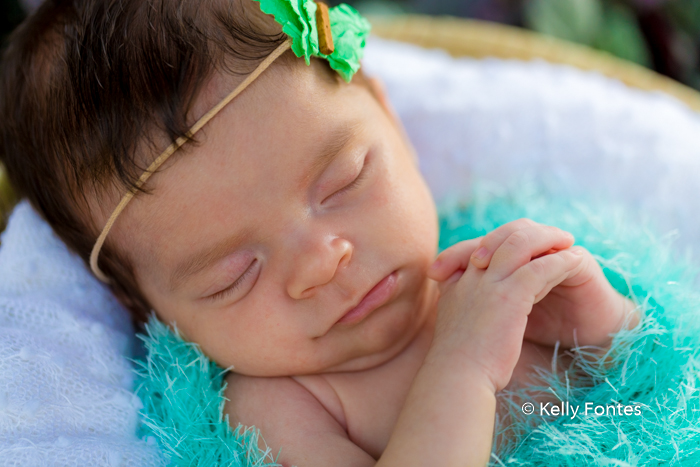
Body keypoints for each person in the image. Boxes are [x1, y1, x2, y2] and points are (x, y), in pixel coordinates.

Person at [0, 0, 639, 464]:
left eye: (342, 181)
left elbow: (632, 406)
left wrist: (604, 331)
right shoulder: (281, 407)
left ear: (388, 118)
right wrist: (463, 369)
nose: (322, 262)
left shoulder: (483, 270)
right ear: (142, 306)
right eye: (234, 275)